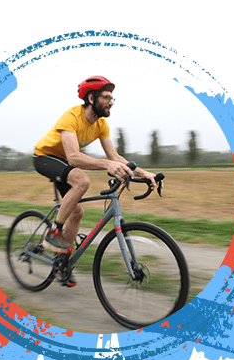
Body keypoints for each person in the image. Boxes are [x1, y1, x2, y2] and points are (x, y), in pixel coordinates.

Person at [33, 76, 159, 286]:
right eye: (107, 97)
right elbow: (73, 157)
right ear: (91, 98)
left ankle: (62, 265)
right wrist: (106, 165)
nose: (111, 101)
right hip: (45, 158)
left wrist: (144, 173)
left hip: (64, 162)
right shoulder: (71, 116)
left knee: (78, 211)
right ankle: (53, 231)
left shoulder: (101, 124)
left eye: (113, 98)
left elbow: (116, 158)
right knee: (82, 180)